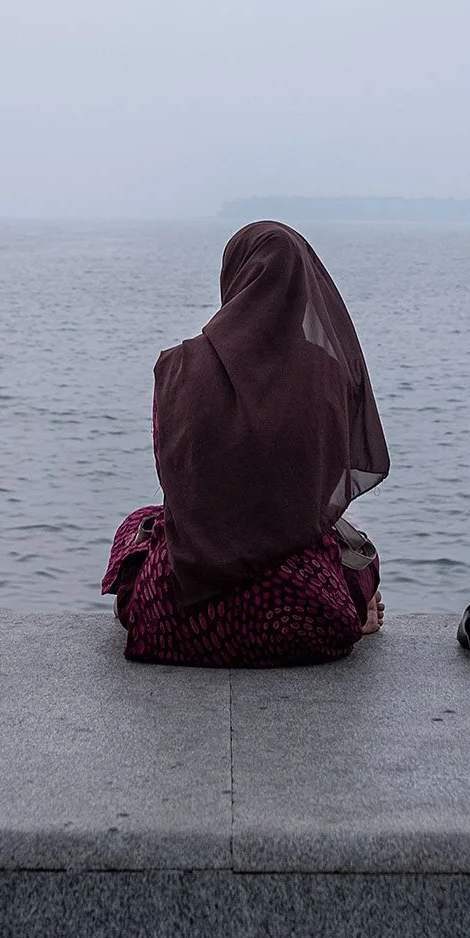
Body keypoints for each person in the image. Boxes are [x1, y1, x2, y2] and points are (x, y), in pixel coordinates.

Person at [102, 220, 390, 666]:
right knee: (354, 550)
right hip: (299, 609)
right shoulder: (325, 373)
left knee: (140, 524)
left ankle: (138, 605)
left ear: (234, 279)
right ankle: (358, 607)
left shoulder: (180, 368)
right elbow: (324, 499)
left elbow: (177, 487)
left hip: (177, 612)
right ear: (305, 288)